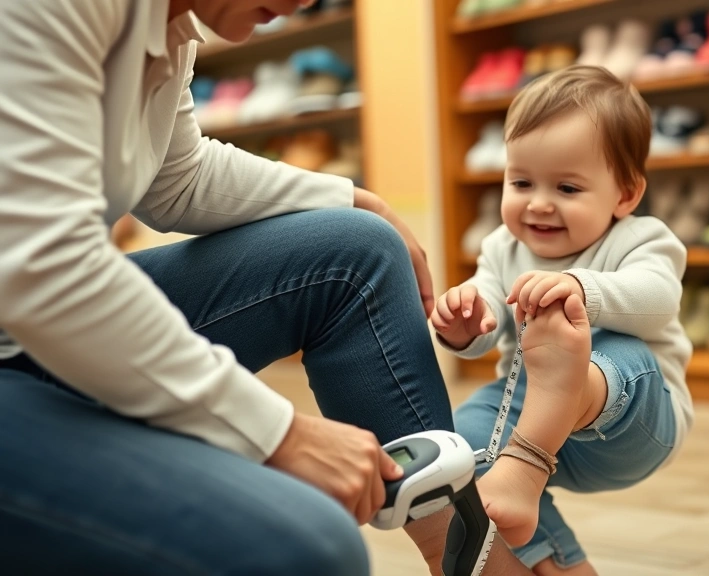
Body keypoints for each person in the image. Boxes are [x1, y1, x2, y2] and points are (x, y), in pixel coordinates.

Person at [0, 1, 542, 574]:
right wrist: (278, 434)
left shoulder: (171, 25)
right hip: (26, 313)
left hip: (24, 322)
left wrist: (358, 200)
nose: (305, 3)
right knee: (308, 548)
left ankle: (470, 558)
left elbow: (174, 179)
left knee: (360, 250)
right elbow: (43, 266)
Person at [429, 65, 695, 575]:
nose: (540, 204)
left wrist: (582, 289)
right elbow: (486, 310)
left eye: (568, 189)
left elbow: (660, 297)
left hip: (630, 427)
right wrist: (464, 327)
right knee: (461, 441)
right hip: (534, 423)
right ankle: (562, 564)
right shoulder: (502, 247)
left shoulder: (641, 239)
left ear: (625, 195)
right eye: (521, 181)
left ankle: (546, 425)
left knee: (621, 356)